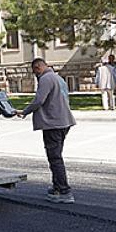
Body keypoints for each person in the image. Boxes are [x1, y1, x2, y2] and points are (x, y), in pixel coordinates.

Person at [16, 58, 77, 204]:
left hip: (53, 123)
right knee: (56, 155)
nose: (35, 76)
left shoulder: (45, 79)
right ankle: (57, 187)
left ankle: (64, 191)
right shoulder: (57, 78)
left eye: (34, 72)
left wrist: (25, 111)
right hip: (63, 121)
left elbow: (39, 100)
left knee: (55, 158)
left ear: (38, 68)